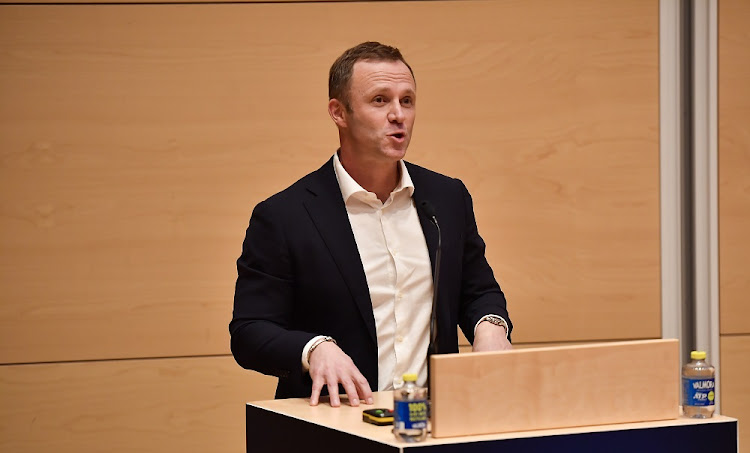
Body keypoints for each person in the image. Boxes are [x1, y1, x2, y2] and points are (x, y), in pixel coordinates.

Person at [230, 41, 512, 408]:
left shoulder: (446, 199)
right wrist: (313, 349)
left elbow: (477, 291)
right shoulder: (285, 216)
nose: (398, 115)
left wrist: (490, 326)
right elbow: (250, 332)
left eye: (407, 100)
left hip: (432, 422)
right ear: (339, 112)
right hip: (336, 424)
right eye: (380, 100)